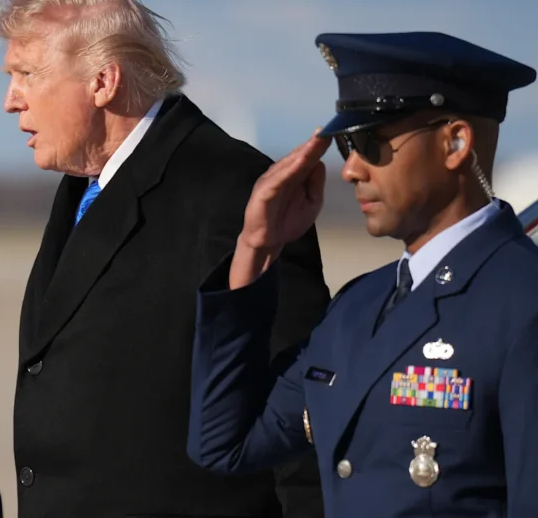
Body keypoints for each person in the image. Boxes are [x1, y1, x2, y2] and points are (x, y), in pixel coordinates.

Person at [0, 0, 331, 518]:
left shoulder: (230, 187)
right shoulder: (84, 185)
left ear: (103, 81)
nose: (11, 101)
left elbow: (297, 400)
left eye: (26, 75)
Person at [186, 32, 538, 517]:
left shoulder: (522, 304)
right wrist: (255, 248)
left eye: (371, 143)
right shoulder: (359, 307)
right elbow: (224, 444)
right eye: (346, 145)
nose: (351, 170)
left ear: (455, 142)